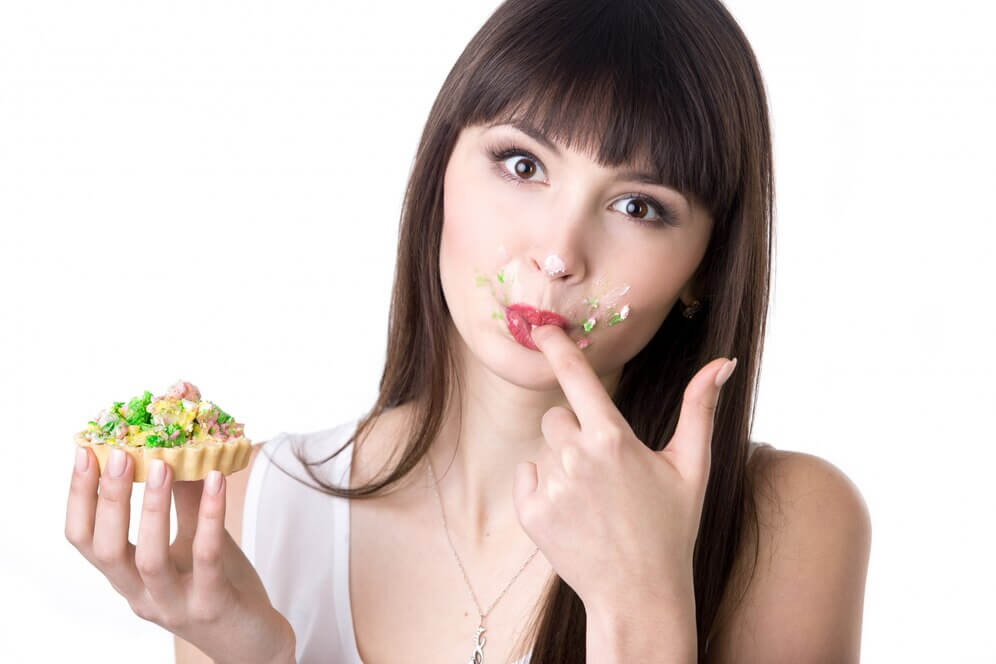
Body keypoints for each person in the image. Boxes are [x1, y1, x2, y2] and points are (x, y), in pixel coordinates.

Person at [65, 0, 872, 662]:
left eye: (639, 207)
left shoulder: (789, 521)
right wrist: (257, 652)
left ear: (703, 266)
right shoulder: (254, 510)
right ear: (439, 173)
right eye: (522, 165)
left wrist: (646, 602)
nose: (558, 254)